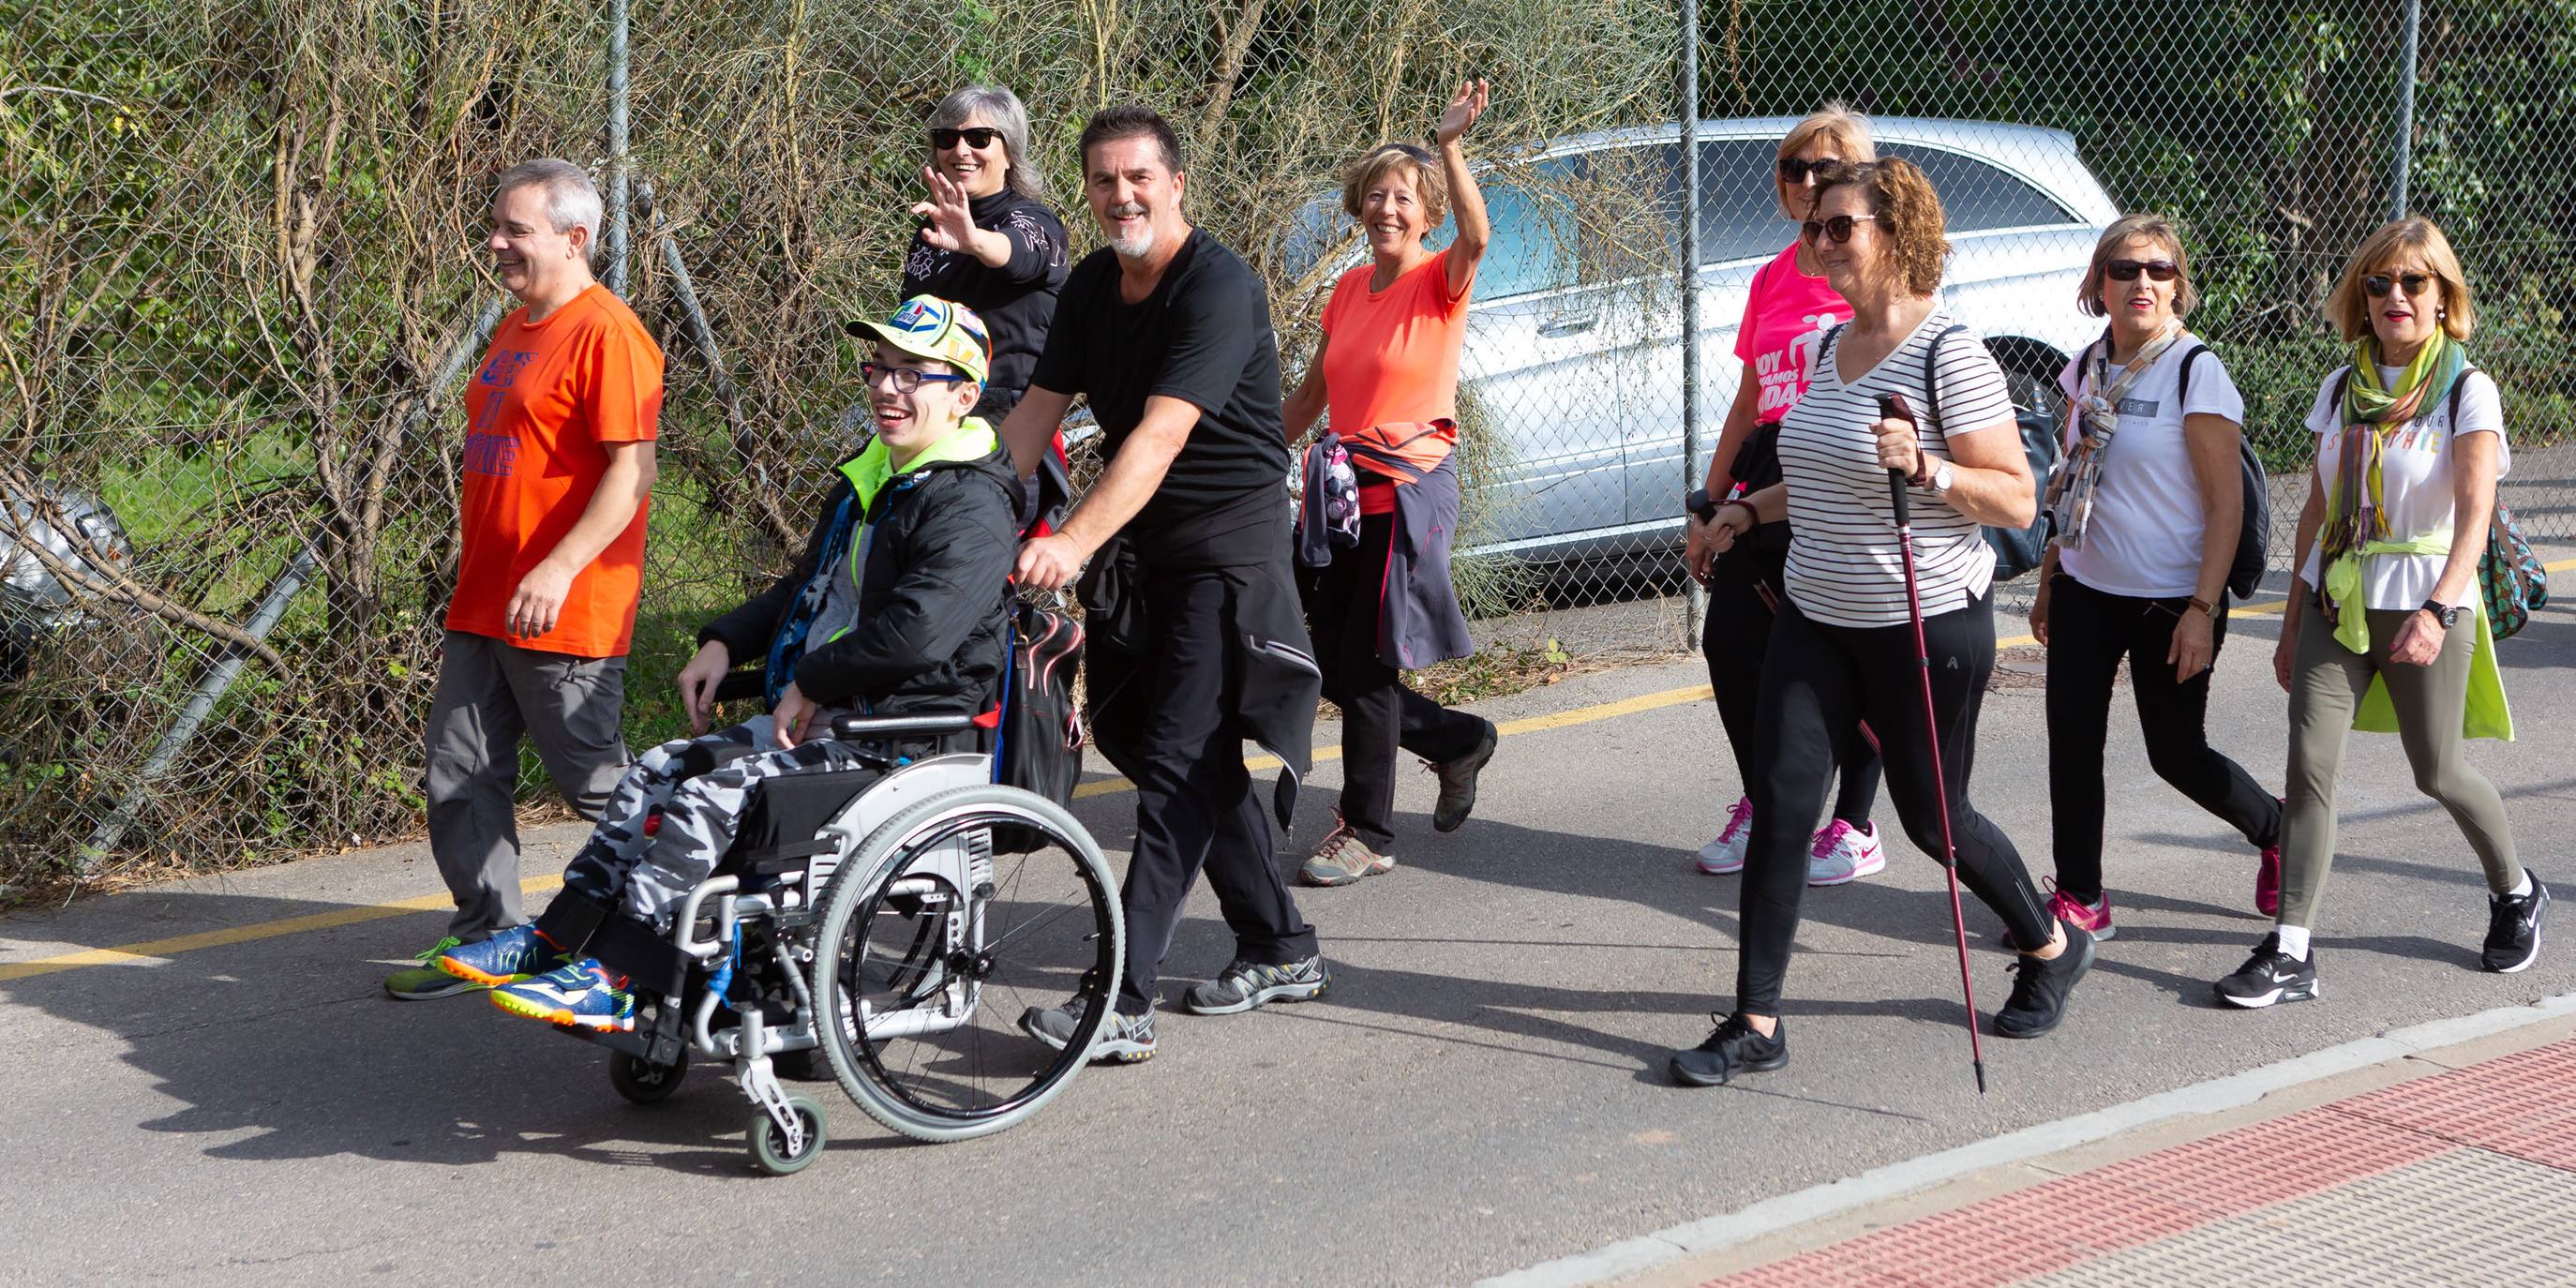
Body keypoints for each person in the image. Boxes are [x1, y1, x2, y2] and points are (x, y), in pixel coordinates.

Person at [428, 296, 1020, 1028]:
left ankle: (621, 971)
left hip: (898, 739)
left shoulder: (971, 505)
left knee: (716, 796)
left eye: (912, 376)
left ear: (964, 395)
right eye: (878, 370)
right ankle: (556, 943)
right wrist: (723, 642)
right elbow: (803, 592)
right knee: (655, 771)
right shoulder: (874, 479)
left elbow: (918, 635)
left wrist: (810, 680)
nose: (885, 388)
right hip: (828, 719)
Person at [1671, 158, 2095, 1086]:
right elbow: (1820, 472)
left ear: (1895, 234)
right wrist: (1747, 511)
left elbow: (2017, 500)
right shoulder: (1830, 348)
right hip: (1816, 619)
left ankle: (2049, 943)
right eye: (1815, 226)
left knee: (1936, 824)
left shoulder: (1951, 353)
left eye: (1839, 226)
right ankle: (1755, 1021)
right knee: (1783, 806)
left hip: (1923, 621)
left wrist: (1929, 470)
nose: (1819, 241)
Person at [1002, 107, 1328, 1064]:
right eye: (1103, 181)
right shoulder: (1095, 285)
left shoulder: (1217, 287)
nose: (1120, 196)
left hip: (1227, 556)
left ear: (1176, 181)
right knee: (1138, 736)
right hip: (1144, 554)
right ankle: (1279, 941)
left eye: (1137, 177)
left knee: (1180, 761)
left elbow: (1159, 436)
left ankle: (1121, 999)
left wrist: (1067, 540)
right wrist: (967, 514)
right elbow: (1032, 418)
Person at [2214, 217, 2545, 1009]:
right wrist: (2291, 616)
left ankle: (2515, 889)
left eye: (2413, 283)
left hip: (2428, 600)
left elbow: (2474, 516)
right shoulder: (2340, 388)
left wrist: (2436, 610)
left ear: (2443, 298)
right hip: (2341, 597)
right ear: (2359, 298)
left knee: (2437, 771)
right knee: (2310, 767)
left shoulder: (2468, 389)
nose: (2394, 296)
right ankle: (2292, 948)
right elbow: (2318, 512)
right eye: (2377, 283)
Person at [386, 158, 662, 1002]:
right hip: (486, 597)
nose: (496, 243)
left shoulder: (609, 334)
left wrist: (559, 565)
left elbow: (633, 472)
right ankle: (488, 934)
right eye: (497, 227)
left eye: (517, 230)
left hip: (562, 603)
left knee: (594, 782)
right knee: (460, 770)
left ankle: (674, 916)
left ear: (575, 239)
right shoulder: (516, 325)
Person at [2031, 216, 2284, 939]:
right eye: (2124, 269)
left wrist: (2202, 608)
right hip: (2087, 587)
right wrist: (2052, 574)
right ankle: (2081, 893)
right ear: (2098, 285)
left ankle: (2278, 832)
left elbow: (2224, 504)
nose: (2142, 282)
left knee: (2176, 755)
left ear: (2177, 287)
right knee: (2071, 742)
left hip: (2173, 599)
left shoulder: (2195, 371)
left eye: (2159, 270)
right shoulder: (2085, 367)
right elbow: (2074, 482)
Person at [1278, 80, 1501, 887]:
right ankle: (1454, 740)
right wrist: (1241, 456)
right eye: (1375, 194)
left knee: (1369, 666)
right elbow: (1310, 397)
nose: (1387, 207)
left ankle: (1367, 830)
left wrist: (1449, 146)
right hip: (1341, 498)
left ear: (1427, 210)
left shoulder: (1443, 279)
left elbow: (1480, 236)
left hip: (1409, 490)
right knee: (1330, 663)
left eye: (1403, 197)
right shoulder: (1346, 290)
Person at [1683, 101, 1887, 888]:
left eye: (1825, 169)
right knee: (1732, 644)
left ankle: (1854, 825)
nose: (1806, 181)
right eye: (1794, 168)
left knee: (1851, 652)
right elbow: (1746, 398)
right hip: (1768, 460)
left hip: (1842, 464)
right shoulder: (1770, 276)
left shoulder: (1867, 274)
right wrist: (1707, 504)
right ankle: (1767, 803)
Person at [904, 84, 1074, 529]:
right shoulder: (931, 231)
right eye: (947, 138)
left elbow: (1020, 253)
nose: (960, 149)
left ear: (1009, 152)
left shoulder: (1033, 220)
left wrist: (974, 240)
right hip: (931, 412)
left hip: (1008, 420)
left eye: (979, 138)